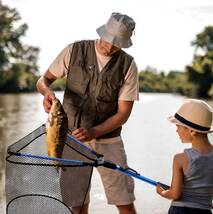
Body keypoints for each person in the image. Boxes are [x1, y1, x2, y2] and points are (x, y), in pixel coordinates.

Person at [36, 12, 139, 214]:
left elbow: (123, 114)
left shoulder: (128, 65)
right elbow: (43, 80)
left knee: (124, 201)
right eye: (108, 40)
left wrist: (95, 131)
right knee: (77, 203)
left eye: (117, 43)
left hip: (109, 141)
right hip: (71, 139)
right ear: (103, 31)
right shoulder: (74, 50)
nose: (110, 47)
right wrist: (47, 92)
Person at [156, 99, 213, 214]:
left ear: (192, 131)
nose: (176, 131)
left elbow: (175, 194)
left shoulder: (180, 159)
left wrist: (161, 192)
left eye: (178, 127)